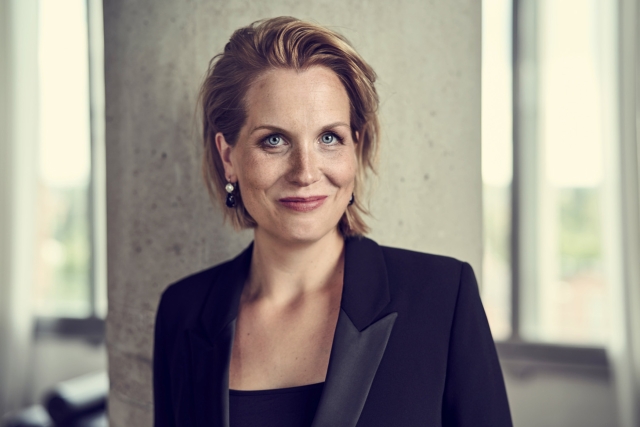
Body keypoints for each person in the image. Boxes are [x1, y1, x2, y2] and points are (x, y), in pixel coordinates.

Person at [153, 16, 512, 427]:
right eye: (274, 140)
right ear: (228, 157)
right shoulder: (183, 312)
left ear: (354, 149)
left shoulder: (442, 297)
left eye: (329, 138)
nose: (305, 172)